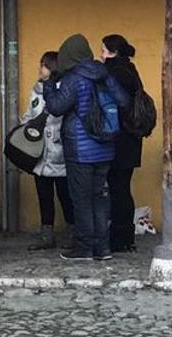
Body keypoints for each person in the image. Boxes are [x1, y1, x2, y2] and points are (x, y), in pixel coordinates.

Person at [44, 34, 131, 262]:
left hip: (80, 149)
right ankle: (102, 248)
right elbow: (124, 101)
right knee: (99, 198)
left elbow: (56, 107)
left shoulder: (74, 78)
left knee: (82, 200)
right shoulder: (104, 73)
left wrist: (49, 85)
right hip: (105, 147)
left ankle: (84, 248)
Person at [23, 50, 73, 251]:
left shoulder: (64, 90)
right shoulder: (36, 90)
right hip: (39, 151)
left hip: (59, 150)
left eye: (43, 65)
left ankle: (72, 233)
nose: (40, 68)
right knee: (44, 196)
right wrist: (26, 128)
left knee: (65, 195)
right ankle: (47, 236)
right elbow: (30, 113)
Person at [101, 34, 145, 253]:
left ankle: (117, 237)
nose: (101, 54)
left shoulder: (111, 73)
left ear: (113, 52)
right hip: (132, 138)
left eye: (103, 50)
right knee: (123, 188)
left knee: (115, 189)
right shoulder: (131, 70)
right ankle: (126, 237)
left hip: (117, 138)